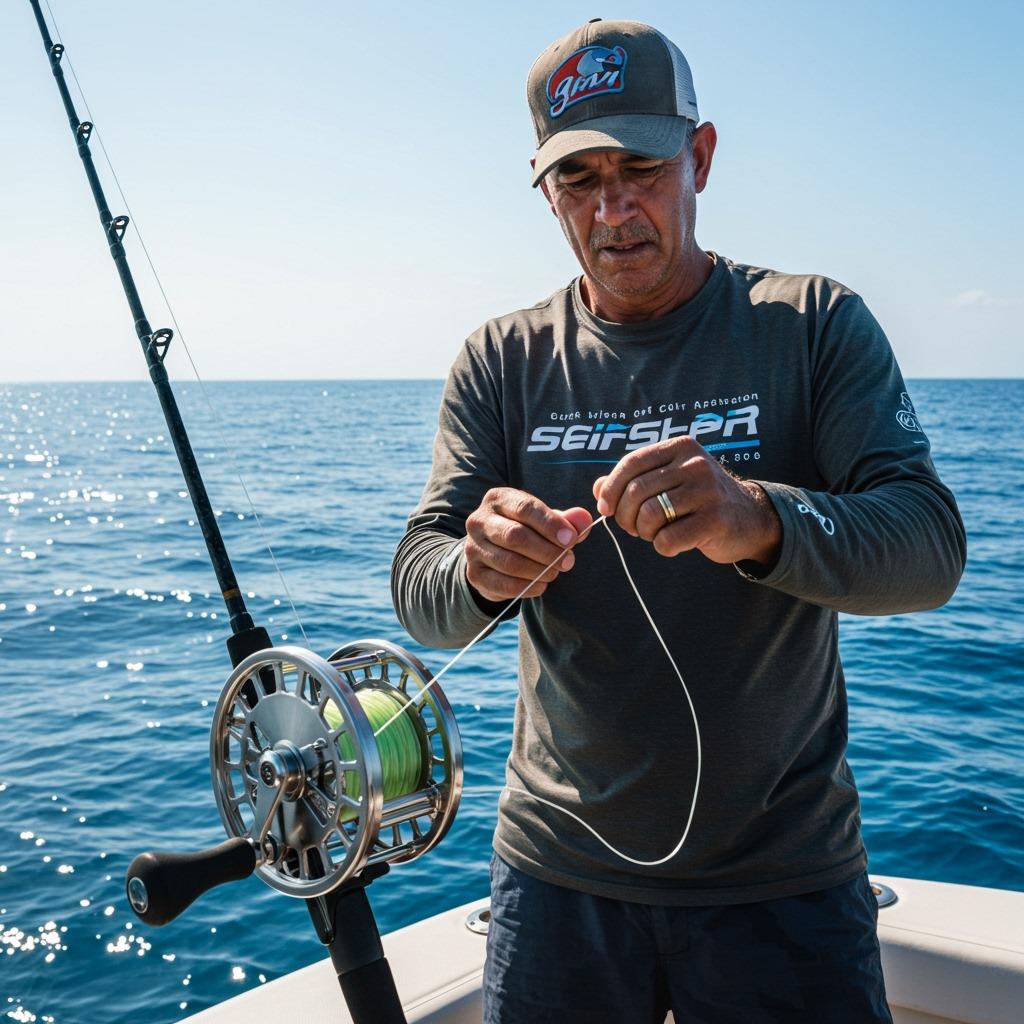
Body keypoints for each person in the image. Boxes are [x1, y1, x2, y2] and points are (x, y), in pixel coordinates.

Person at [391, 18, 965, 1024]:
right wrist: (479, 570)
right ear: (544, 189)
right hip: (556, 879)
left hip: (783, 881)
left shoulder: (813, 323)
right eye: (578, 181)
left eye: (640, 167)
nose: (611, 209)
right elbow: (423, 591)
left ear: (698, 157)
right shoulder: (501, 360)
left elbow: (927, 546)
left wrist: (759, 520)